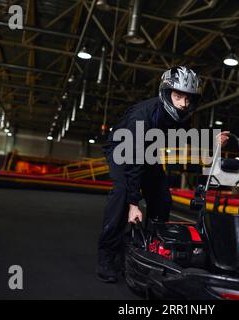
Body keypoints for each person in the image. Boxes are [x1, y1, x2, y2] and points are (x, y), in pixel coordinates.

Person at [96, 66, 229, 283]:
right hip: (123, 149)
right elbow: (133, 163)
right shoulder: (140, 117)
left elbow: (183, 135)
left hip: (147, 149)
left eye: (188, 98)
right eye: (178, 96)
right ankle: (107, 256)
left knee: (162, 198)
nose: (183, 104)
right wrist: (133, 204)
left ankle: (152, 246)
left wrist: (211, 141)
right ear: (166, 93)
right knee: (121, 194)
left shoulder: (179, 115)